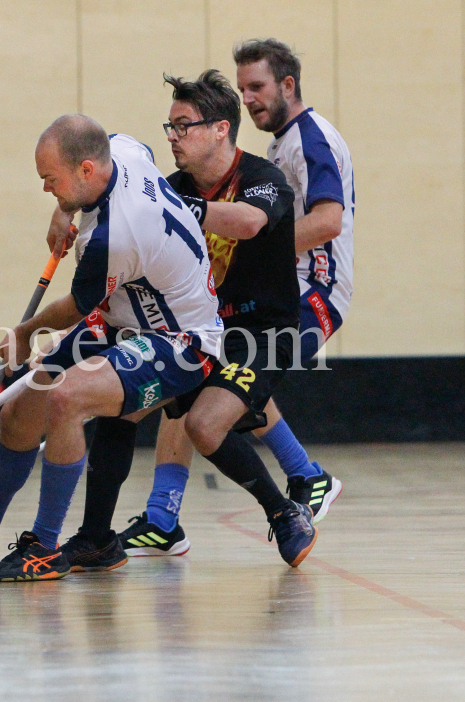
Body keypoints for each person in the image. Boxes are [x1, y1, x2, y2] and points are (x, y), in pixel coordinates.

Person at [0, 114, 229, 583]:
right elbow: (125, 149)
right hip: (126, 317)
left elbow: (78, 306)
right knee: (26, 397)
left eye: (51, 181)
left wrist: (26, 330)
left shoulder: (115, 236)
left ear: (86, 171)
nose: (47, 189)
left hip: (181, 342)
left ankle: (45, 547)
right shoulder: (125, 151)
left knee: (65, 397)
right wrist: (63, 210)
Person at [78, 70, 320, 567]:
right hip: (195, 333)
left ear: (220, 129)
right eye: (168, 127)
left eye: (183, 126)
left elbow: (248, 223)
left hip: (260, 336)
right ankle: (97, 539)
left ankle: (284, 512)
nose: (172, 137)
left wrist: (173, 207)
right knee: (118, 405)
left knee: (205, 428)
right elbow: (117, 203)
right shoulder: (174, 186)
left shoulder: (263, 180)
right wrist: (68, 209)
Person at [234, 38, 351, 517]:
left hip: (316, 293)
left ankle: (308, 475)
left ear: (288, 84)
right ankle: (163, 518)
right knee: (208, 371)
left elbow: (327, 221)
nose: (247, 99)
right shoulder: (283, 142)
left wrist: (253, 250)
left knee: (231, 381)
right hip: (286, 287)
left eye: (256, 86)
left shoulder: (311, 138)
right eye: (242, 89)